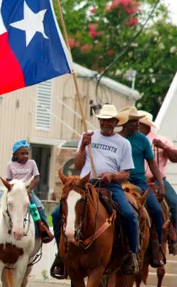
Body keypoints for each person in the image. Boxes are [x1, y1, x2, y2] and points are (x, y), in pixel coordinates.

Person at [50, 104, 138, 278]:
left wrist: (112, 176)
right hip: (85, 184)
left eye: (109, 120)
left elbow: (126, 174)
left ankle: (131, 254)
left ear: (116, 122)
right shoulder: (87, 136)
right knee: (56, 213)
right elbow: (77, 165)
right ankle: (61, 256)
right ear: (99, 120)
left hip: (110, 186)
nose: (105, 123)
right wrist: (83, 146)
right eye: (103, 120)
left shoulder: (124, 144)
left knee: (129, 215)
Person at [0, 140, 53, 243]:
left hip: (27, 192)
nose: (25, 156)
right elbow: (9, 181)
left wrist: (29, 189)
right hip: (13, 192)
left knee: (38, 207)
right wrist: (12, 190)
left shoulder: (32, 163)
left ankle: (44, 229)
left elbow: (36, 178)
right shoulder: (10, 165)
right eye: (22, 153)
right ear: (15, 154)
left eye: (27, 153)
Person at [118, 106, 165, 267]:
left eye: (138, 122)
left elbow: (152, 163)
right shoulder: (116, 139)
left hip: (139, 183)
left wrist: (160, 183)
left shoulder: (142, 140)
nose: (138, 125)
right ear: (125, 123)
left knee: (157, 211)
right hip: (118, 182)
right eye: (134, 122)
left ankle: (156, 248)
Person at [139, 110, 177, 254]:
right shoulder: (130, 139)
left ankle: (174, 236)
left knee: (174, 203)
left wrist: (165, 147)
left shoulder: (160, 139)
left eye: (138, 123)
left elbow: (175, 157)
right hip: (135, 180)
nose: (136, 126)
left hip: (156, 180)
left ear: (146, 125)